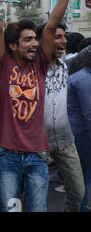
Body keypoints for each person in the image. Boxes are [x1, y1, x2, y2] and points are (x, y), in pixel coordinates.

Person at [0, 0, 75, 212]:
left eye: (36, 39)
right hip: (7, 156)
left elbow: (53, 21)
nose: (35, 43)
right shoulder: (4, 63)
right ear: (13, 46)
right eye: (28, 40)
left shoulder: (41, 64)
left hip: (38, 156)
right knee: (11, 209)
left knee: (38, 209)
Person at [34, 22, 85, 212]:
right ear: (43, 42)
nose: (64, 40)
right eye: (57, 37)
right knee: (36, 197)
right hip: (38, 141)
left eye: (65, 36)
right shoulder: (33, 67)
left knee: (78, 192)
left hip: (65, 140)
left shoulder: (67, 65)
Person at [67, 48, 91, 212]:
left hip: (77, 131)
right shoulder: (85, 79)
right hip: (82, 134)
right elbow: (89, 114)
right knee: (84, 177)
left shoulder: (81, 76)